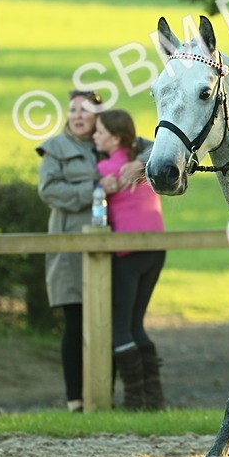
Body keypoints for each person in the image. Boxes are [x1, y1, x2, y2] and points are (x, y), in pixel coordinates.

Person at [36, 90, 147, 412]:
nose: (78, 116)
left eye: (85, 110)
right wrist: (96, 189)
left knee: (108, 323)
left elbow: (160, 146)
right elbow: (49, 191)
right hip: (70, 247)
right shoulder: (55, 149)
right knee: (75, 323)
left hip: (111, 247)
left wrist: (139, 162)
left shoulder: (111, 140)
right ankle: (76, 402)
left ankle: (105, 399)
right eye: (73, 110)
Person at [94, 109, 167, 410]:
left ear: (114, 137)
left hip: (127, 250)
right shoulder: (145, 163)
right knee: (136, 323)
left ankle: (135, 399)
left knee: (120, 325)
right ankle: (155, 398)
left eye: (99, 132)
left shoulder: (105, 167)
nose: (95, 137)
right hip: (156, 247)